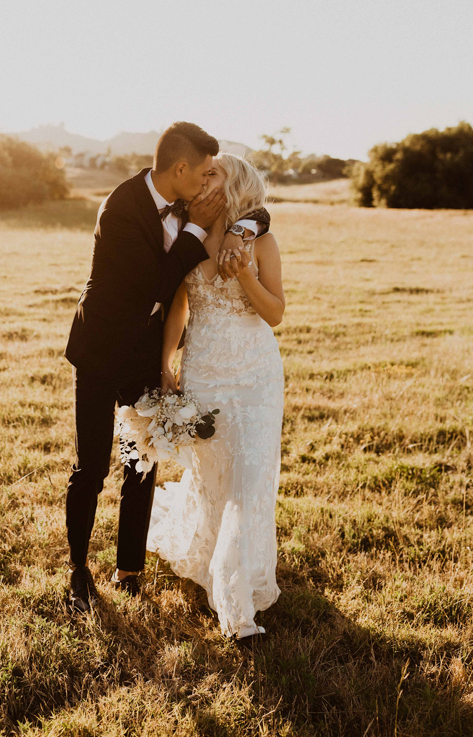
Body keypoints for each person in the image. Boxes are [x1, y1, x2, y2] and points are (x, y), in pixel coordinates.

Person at [64, 123, 270, 614]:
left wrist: (241, 227)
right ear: (181, 169)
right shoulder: (120, 208)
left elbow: (258, 209)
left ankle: (129, 570)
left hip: (145, 355)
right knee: (91, 467)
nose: (207, 183)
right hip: (99, 351)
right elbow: (152, 286)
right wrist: (198, 229)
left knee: (144, 461)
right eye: (203, 173)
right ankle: (77, 570)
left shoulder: (200, 202)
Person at [147, 153, 285, 642]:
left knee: (249, 482)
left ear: (235, 185)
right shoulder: (187, 235)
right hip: (205, 367)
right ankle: (206, 557)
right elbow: (178, 311)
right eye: (201, 174)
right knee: (214, 478)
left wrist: (245, 272)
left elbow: (276, 314)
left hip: (256, 375)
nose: (202, 180)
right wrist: (167, 365)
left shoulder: (261, 240)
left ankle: (236, 601)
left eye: (213, 174)